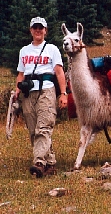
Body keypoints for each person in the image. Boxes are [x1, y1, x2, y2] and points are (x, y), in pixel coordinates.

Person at [15, 16, 67, 178]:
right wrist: (17, 91)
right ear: (31, 30)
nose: (38, 30)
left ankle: (39, 162)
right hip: (28, 93)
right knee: (33, 130)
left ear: (45, 30)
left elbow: (59, 73)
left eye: (41, 28)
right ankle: (50, 163)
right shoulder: (24, 51)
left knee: (43, 128)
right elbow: (21, 74)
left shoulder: (52, 49)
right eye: (35, 27)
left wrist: (63, 93)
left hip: (46, 90)